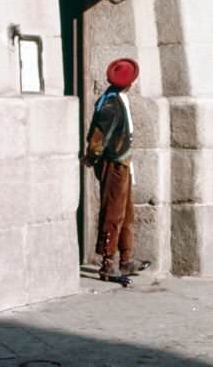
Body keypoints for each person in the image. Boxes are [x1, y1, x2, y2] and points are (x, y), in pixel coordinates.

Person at [83, 57, 150, 281]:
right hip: (114, 164)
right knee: (113, 213)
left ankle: (126, 259)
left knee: (126, 213)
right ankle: (108, 263)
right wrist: (92, 158)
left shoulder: (119, 99)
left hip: (123, 162)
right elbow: (98, 138)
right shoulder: (110, 104)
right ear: (127, 83)